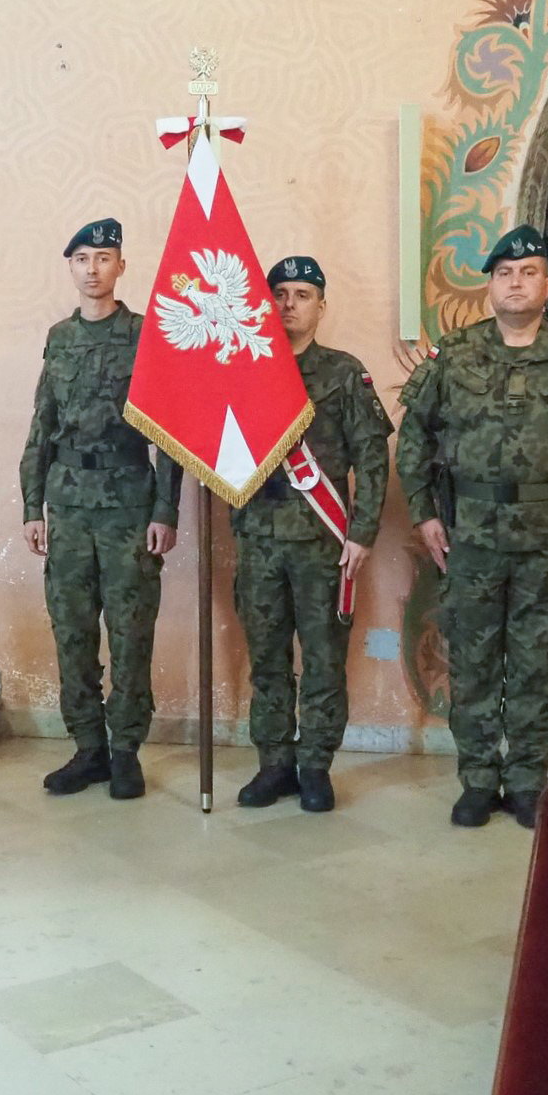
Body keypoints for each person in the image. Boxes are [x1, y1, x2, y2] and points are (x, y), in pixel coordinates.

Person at [395, 224, 548, 829]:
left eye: (529, 273)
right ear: (490, 287)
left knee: (535, 662)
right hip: (470, 535)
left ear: (547, 287)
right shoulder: (454, 355)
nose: (516, 283)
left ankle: (527, 780)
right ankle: (477, 779)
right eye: (505, 274)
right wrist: (424, 511)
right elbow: (414, 434)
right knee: (472, 660)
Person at [20, 218, 183, 800]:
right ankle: (88, 749)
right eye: (82, 259)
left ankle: (126, 751)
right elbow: (41, 426)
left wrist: (166, 511)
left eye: (104, 258)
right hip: (67, 506)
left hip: (128, 506)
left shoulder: (144, 334)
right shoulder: (60, 338)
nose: (93, 269)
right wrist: (32, 506)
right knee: (72, 631)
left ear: (121, 267)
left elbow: (167, 433)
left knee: (131, 632)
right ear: (71, 267)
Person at [230, 256, 392, 813]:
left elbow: (373, 459)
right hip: (258, 538)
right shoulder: (243, 369)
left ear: (321, 306)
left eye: (302, 294)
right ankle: (274, 764)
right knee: (268, 659)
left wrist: (362, 532)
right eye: (279, 293)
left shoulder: (344, 373)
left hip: (324, 542)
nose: (289, 304)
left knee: (323, 660)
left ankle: (316, 765)